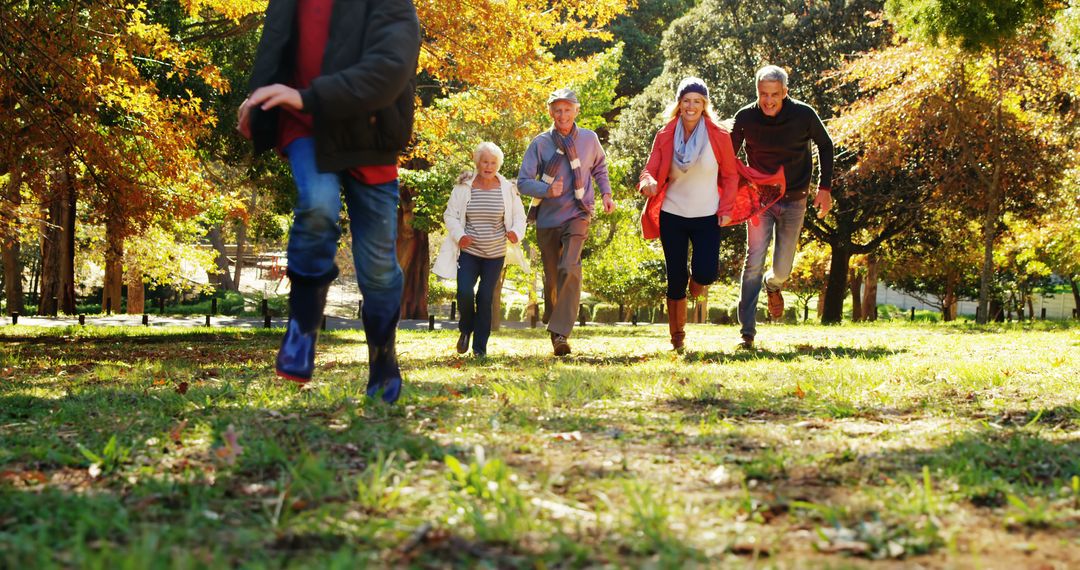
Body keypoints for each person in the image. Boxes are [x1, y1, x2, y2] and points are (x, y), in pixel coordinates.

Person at [236, 0, 420, 402]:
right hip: (308, 130)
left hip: (369, 137)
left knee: (377, 270)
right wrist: (258, 101)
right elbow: (276, 50)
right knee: (317, 206)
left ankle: (383, 355)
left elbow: (389, 71)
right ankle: (302, 327)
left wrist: (304, 97)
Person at [731, 65, 834, 349]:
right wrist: (731, 195)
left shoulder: (803, 114)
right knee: (753, 261)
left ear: (785, 92)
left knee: (783, 269)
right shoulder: (745, 118)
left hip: (794, 199)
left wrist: (824, 188)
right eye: (763, 94)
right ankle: (747, 333)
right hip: (759, 200)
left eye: (775, 94)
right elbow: (728, 157)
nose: (769, 101)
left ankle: (773, 285)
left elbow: (826, 145)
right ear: (757, 92)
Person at [639, 78, 740, 351]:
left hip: (707, 215)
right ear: (679, 104)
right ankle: (677, 335)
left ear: (704, 104)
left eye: (697, 101)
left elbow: (731, 175)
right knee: (675, 275)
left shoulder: (718, 135)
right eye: (686, 101)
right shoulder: (665, 134)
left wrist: (727, 209)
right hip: (673, 212)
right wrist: (647, 183)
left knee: (706, 273)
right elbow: (650, 169)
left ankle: (698, 284)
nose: (691, 106)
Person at [517, 88, 616, 356]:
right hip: (547, 219)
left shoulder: (589, 139)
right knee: (552, 278)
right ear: (550, 112)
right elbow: (523, 182)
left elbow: (599, 167)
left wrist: (606, 193)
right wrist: (546, 190)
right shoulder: (540, 143)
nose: (563, 115)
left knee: (570, 267)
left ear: (576, 111)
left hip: (578, 213)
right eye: (557, 110)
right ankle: (554, 318)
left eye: (567, 109)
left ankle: (560, 334)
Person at [432, 142, 528, 358]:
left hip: (495, 254)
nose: (488, 166)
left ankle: (479, 349)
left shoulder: (508, 189)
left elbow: (520, 217)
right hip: (469, 251)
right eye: (485, 161)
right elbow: (450, 215)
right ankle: (465, 329)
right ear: (477, 162)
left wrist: (515, 232)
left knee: (485, 298)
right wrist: (460, 235)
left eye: (493, 162)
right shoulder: (463, 187)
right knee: (464, 292)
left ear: (498, 165)